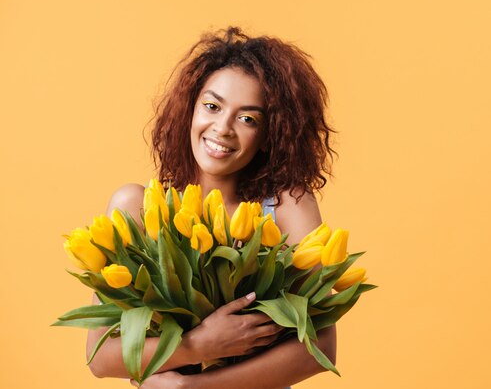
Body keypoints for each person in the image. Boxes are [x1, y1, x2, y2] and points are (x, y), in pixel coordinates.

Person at [86, 27, 338, 389]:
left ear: (270, 135)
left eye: (247, 118)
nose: (222, 128)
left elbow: (320, 347)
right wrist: (199, 345)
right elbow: (101, 356)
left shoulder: (286, 206)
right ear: (190, 107)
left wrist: (196, 387)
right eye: (212, 106)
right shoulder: (137, 207)